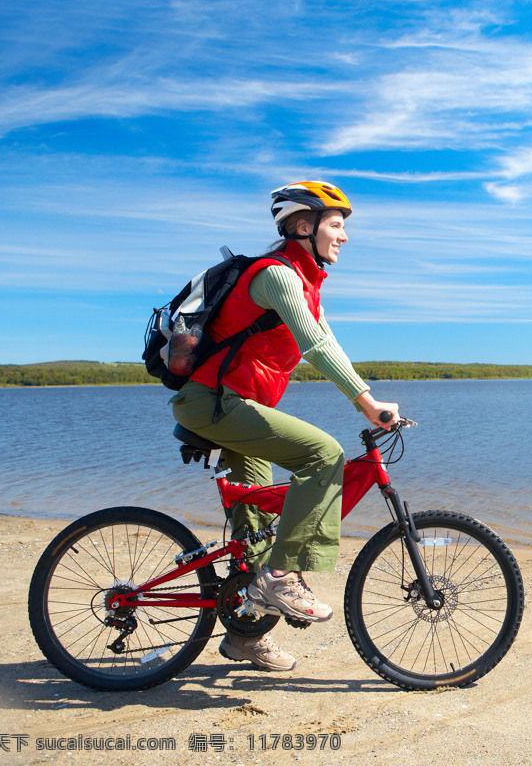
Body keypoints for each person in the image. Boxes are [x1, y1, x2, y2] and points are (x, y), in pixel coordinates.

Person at [170, 181, 399, 671]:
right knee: (324, 455)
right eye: (336, 226)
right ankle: (280, 577)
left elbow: (329, 344)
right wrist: (366, 404)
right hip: (214, 403)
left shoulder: (305, 284)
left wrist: (368, 393)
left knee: (255, 529)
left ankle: (245, 638)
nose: (344, 236)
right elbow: (313, 347)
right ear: (303, 226)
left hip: (234, 404)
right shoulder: (276, 275)